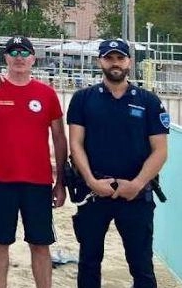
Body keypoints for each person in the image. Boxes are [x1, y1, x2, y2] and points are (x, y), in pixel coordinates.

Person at [67, 39, 169, 288]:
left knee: (141, 265)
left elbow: (160, 151)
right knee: (89, 262)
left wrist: (137, 184)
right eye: (109, 58)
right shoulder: (82, 99)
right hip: (93, 192)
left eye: (120, 58)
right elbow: (76, 145)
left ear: (129, 62)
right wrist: (91, 181)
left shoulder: (149, 101)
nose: (115, 63)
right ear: (100, 61)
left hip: (135, 194)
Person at [0, 36, 68, 288]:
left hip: (38, 182)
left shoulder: (46, 94)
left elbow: (59, 138)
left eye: (24, 53)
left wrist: (61, 183)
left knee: (40, 243)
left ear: (33, 59)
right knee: (0, 241)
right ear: (6, 58)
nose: (19, 58)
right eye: (13, 53)